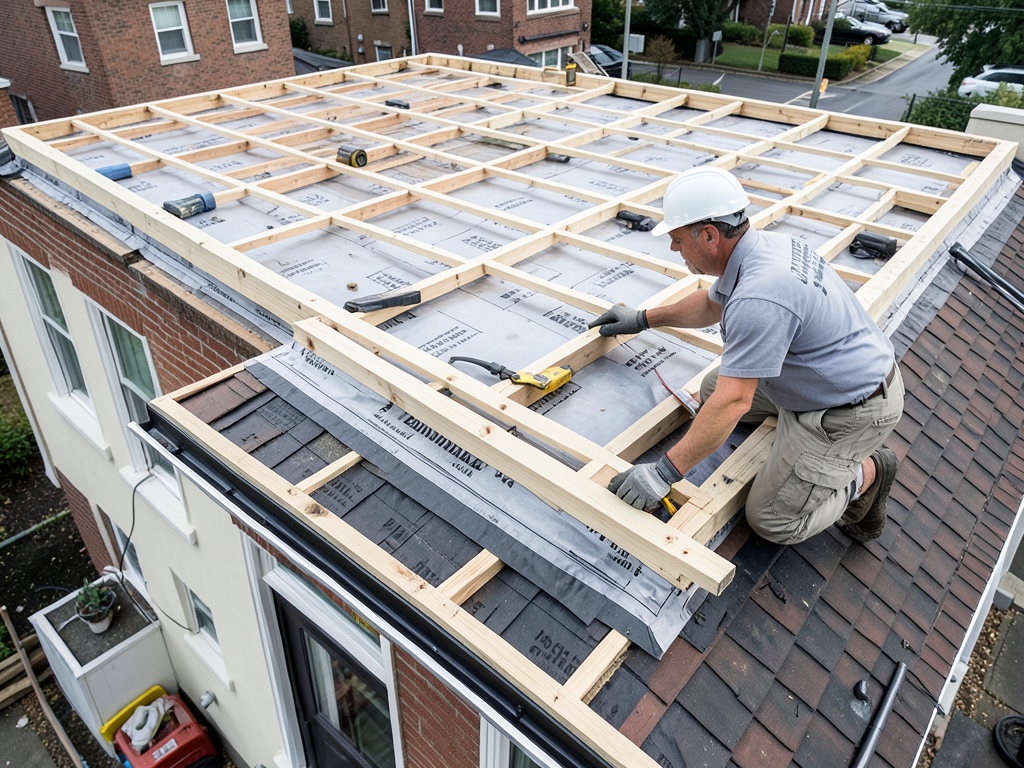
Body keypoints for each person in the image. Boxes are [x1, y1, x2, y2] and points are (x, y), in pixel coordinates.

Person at [589, 166, 903, 544]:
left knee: (771, 521)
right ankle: (799, 440)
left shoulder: (760, 295)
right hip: (823, 373)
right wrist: (642, 318)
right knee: (711, 388)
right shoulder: (763, 248)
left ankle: (868, 472)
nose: (673, 248)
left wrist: (664, 474)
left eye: (676, 239)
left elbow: (735, 400)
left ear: (708, 235)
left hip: (849, 409)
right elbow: (710, 304)